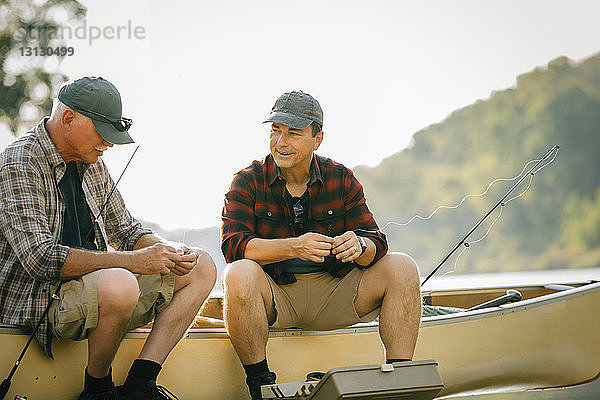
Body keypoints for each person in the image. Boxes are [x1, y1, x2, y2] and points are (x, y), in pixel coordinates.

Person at [0, 76, 217, 400]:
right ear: (69, 118)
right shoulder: (20, 161)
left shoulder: (90, 160)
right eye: (102, 132)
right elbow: (40, 258)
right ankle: (97, 387)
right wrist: (132, 262)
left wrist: (164, 250)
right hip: (39, 302)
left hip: (96, 291)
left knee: (202, 265)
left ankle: (140, 383)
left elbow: (127, 231)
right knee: (120, 282)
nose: (109, 143)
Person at [221, 90, 422, 399]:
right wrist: (293, 247)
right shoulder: (247, 180)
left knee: (403, 266)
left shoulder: (340, 177)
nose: (281, 142)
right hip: (276, 299)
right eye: (275, 130)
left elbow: (376, 241)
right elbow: (232, 247)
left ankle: (400, 381)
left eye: (293, 134)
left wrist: (359, 245)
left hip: (336, 294)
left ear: (317, 139)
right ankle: (260, 384)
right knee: (238, 273)